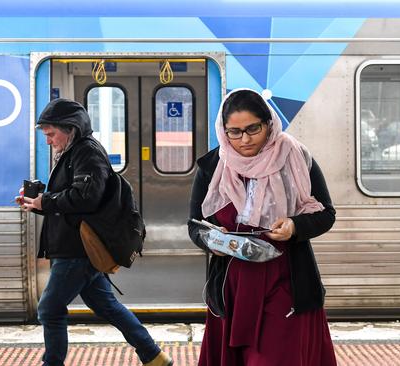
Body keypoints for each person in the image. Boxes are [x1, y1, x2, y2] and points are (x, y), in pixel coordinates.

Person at [187, 89, 337, 365]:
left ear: (269, 123)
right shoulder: (212, 167)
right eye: (234, 131)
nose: (244, 139)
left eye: (253, 129)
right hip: (232, 283)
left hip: (285, 279)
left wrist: (294, 226)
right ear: (223, 131)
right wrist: (211, 240)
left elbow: (326, 214)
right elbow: (195, 225)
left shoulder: (297, 157)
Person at [20, 98, 173, 366]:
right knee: (107, 306)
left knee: (50, 308)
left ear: (70, 128)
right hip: (73, 246)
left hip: (77, 250)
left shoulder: (86, 152)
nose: (48, 141)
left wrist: (47, 201)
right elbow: (70, 200)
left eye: (51, 134)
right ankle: (154, 356)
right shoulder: (72, 152)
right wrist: (38, 202)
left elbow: (86, 198)